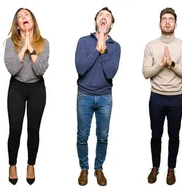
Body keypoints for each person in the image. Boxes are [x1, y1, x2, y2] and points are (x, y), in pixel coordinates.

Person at [143, 7, 182, 185]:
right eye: (164, 19)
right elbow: (146, 72)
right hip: (156, 97)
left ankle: (171, 169)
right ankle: (155, 167)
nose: (167, 21)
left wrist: (170, 63)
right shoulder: (151, 45)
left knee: (174, 136)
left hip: (176, 98)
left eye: (171, 19)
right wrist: (160, 65)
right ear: (159, 23)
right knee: (156, 135)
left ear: (176, 23)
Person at [74, 7, 120, 186]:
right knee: (82, 136)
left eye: (107, 16)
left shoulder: (116, 47)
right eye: (101, 15)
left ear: (112, 24)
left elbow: (110, 73)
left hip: (104, 98)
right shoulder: (83, 41)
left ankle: (98, 168)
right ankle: (84, 169)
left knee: (102, 136)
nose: (104, 17)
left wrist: (104, 50)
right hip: (84, 95)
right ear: (95, 22)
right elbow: (80, 68)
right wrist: (97, 48)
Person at [4, 8, 49, 185]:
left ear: (32, 20)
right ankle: (12, 164)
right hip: (16, 88)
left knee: (33, 129)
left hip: (37, 89)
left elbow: (40, 70)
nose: (23, 17)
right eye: (20, 17)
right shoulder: (10, 43)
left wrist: (33, 49)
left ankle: (31, 164)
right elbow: (13, 69)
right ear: (17, 25)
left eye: (26, 15)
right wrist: (24, 48)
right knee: (15, 129)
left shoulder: (44, 43)